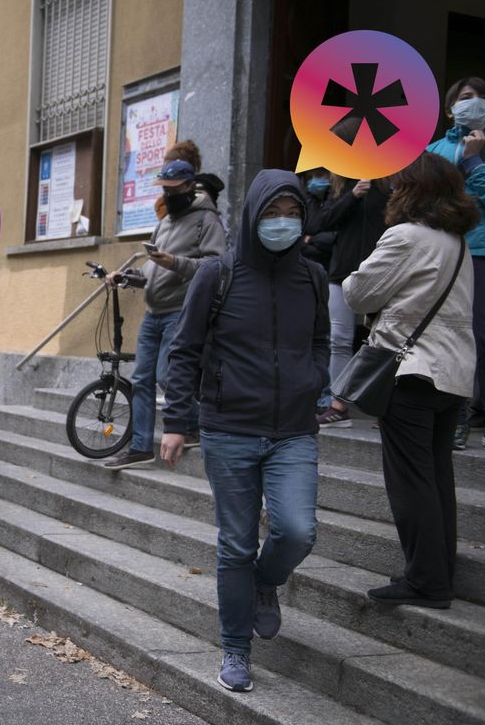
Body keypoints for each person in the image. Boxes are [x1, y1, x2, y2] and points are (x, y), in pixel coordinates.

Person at [160, 169, 328, 693]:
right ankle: (235, 649)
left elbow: (322, 339)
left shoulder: (314, 277)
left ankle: (266, 581)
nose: (282, 223)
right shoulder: (218, 274)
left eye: (292, 213)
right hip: (229, 428)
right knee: (235, 545)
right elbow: (184, 348)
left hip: (294, 430)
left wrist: (313, 379)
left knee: (297, 531)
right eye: (272, 213)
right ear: (253, 213)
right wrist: (176, 422)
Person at [342, 153, 478, 609]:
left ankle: (425, 581)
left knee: (410, 481)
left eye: (398, 183)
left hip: (413, 370)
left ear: (412, 189)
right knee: (437, 477)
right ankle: (439, 572)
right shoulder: (456, 242)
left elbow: (358, 292)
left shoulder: (405, 236)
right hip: (453, 374)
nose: (392, 189)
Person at [104, 159, 225, 470]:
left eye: (172, 189)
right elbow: (152, 268)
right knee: (142, 379)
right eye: (163, 189)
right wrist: (126, 277)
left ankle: (200, 421)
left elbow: (216, 268)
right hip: (152, 313)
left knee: (165, 376)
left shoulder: (207, 221)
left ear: (188, 186)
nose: (166, 195)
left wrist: (174, 262)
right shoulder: (164, 222)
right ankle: (141, 446)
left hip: (180, 312)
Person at [426, 76, 485, 450]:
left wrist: (476, 163)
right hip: (441, 252)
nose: (477, 103)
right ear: (451, 108)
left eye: (483, 97)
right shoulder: (434, 150)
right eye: (467, 97)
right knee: (444, 334)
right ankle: (455, 418)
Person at [313, 121, 392, 428]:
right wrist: (353, 195)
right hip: (341, 271)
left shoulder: (386, 182)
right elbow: (323, 221)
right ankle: (337, 404)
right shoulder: (342, 184)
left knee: (384, 340)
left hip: (380, 271)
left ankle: (384, 404)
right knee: (339, 339)